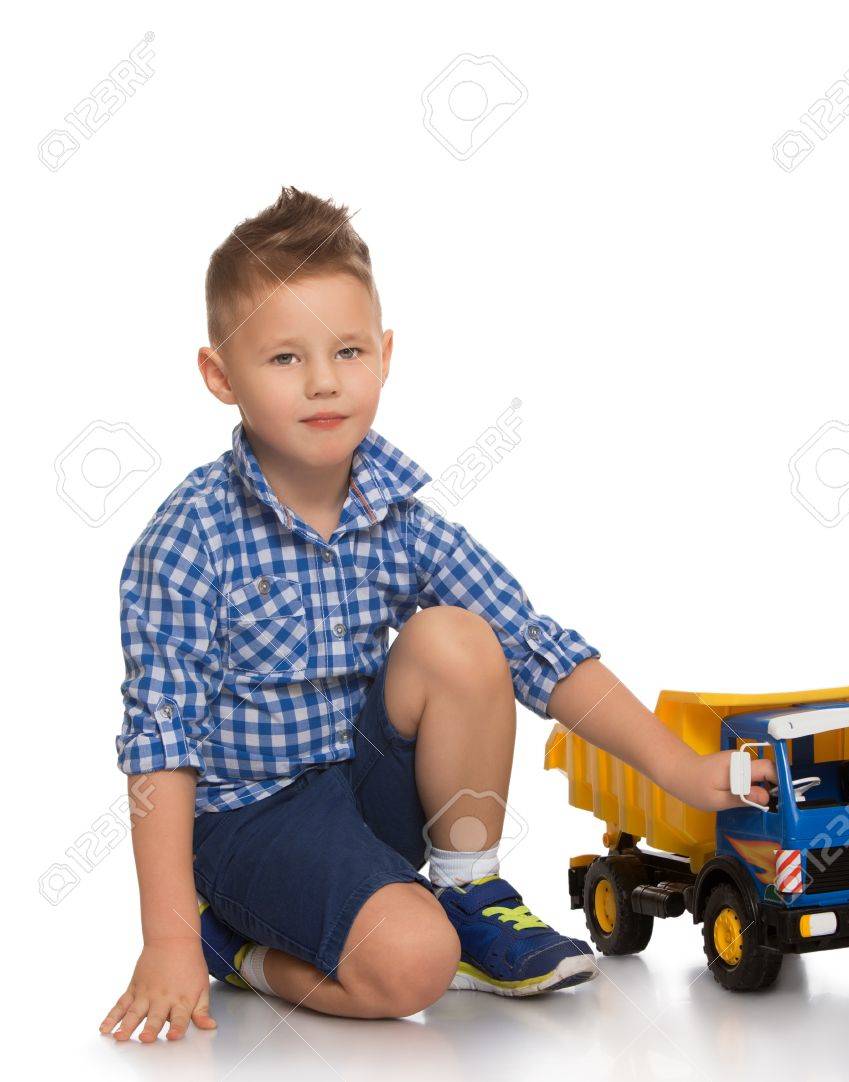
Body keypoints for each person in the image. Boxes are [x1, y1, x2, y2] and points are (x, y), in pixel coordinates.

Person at [99, 187, 775, 1042]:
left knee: (459, 635)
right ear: (219, 375)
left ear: (384, 355)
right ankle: (227, 943)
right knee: (413, 967)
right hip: (249, 823)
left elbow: (538, 649)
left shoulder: (401, 518)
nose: (322, 382)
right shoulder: (187, 540)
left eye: (346, 350)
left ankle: (469, 889)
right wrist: (163, 940)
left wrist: (682, 772)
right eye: (283, 359)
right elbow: (162, 742)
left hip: (359, 790)